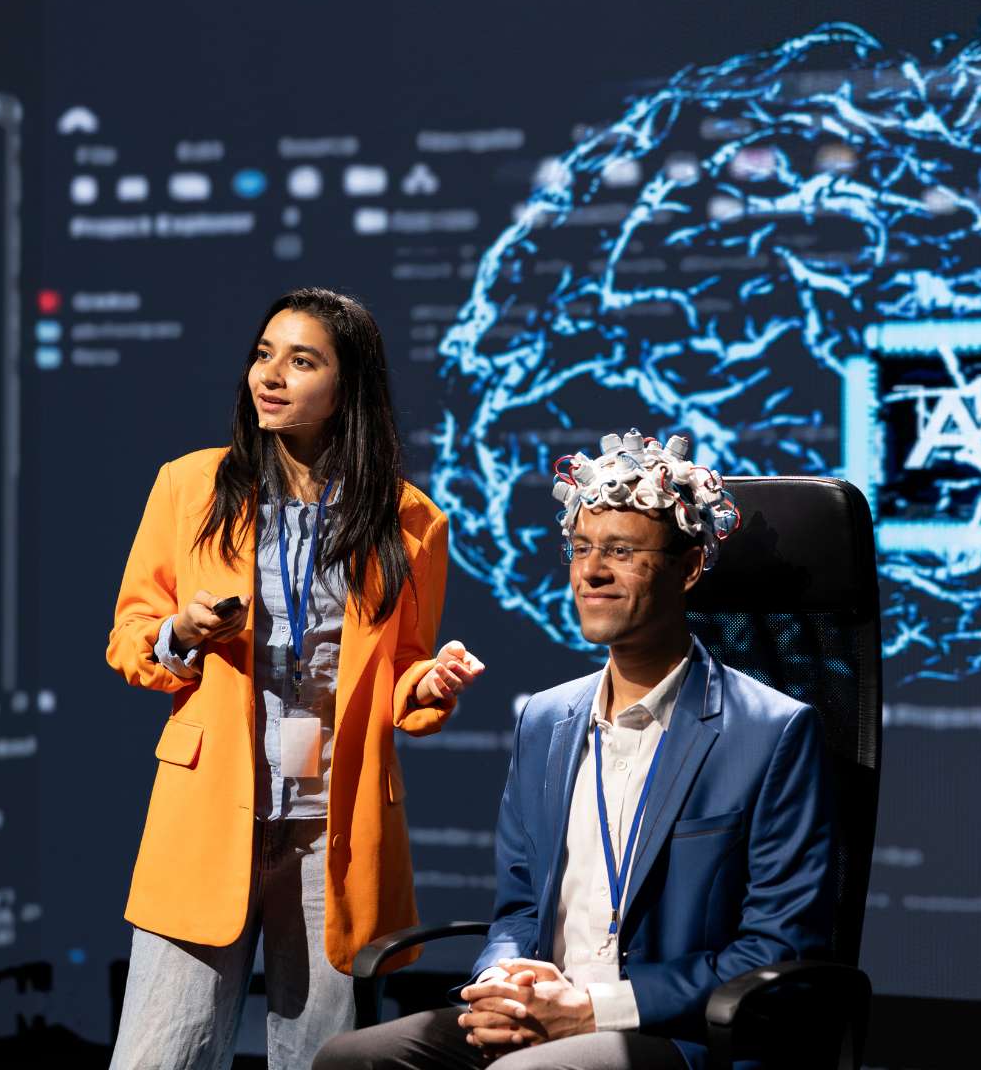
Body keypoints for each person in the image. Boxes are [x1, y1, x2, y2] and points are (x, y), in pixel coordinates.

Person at [315, 429, 833, 1070]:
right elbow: (519, 910)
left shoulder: (773, 733)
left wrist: (592, 1008)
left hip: (673, 1032)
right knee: (353, 1059)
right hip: (544, 1015)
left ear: (689, 568)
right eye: (582, 548)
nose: (591, 572)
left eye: (621, 551)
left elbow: (774, 950)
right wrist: (503, 981)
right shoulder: (546, 720)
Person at [105, 287, 485, 1070]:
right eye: (263, 355)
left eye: (302, 361)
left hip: (330, 829)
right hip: (209, 811)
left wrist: (428, 685)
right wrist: (182, 633)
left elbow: (401, 667)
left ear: (349, 387)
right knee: (159, 1054)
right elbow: (130, 639)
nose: (270, 376)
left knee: (321, 1059)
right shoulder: (190, 487)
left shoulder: (411, 521)